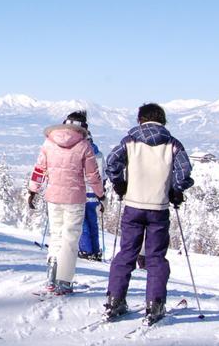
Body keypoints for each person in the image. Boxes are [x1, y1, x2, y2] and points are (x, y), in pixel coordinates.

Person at [103, 103, 194, 324]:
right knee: (155, 258)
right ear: (162, 120)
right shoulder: (172, 144)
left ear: (140, 119)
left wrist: (120, 184)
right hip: (159, 208)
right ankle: (155, 304)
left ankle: (115, 300)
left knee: (126, 253)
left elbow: (112, 162)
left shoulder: (129, 141)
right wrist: (176, 190)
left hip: (133, 205)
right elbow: (184, 172)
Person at [28, 111, 105, 295]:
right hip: (75, 199)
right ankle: (64, 281)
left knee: (56, 237)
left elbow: (39, 169)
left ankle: (51, 278)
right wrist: (100, 195)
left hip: (53, 197)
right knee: (70, 240)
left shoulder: (49, 142)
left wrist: (32, 190)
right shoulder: (84, 145)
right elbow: (93, 176)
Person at [77, 118, 107, 261]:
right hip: (95, 193)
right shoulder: (99, 155)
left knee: (82, 223)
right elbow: (104, 175)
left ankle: (86, 250)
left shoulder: (81, 152)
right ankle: (96, 250)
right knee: (92, 222)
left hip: (81, 191)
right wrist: (102, 193)